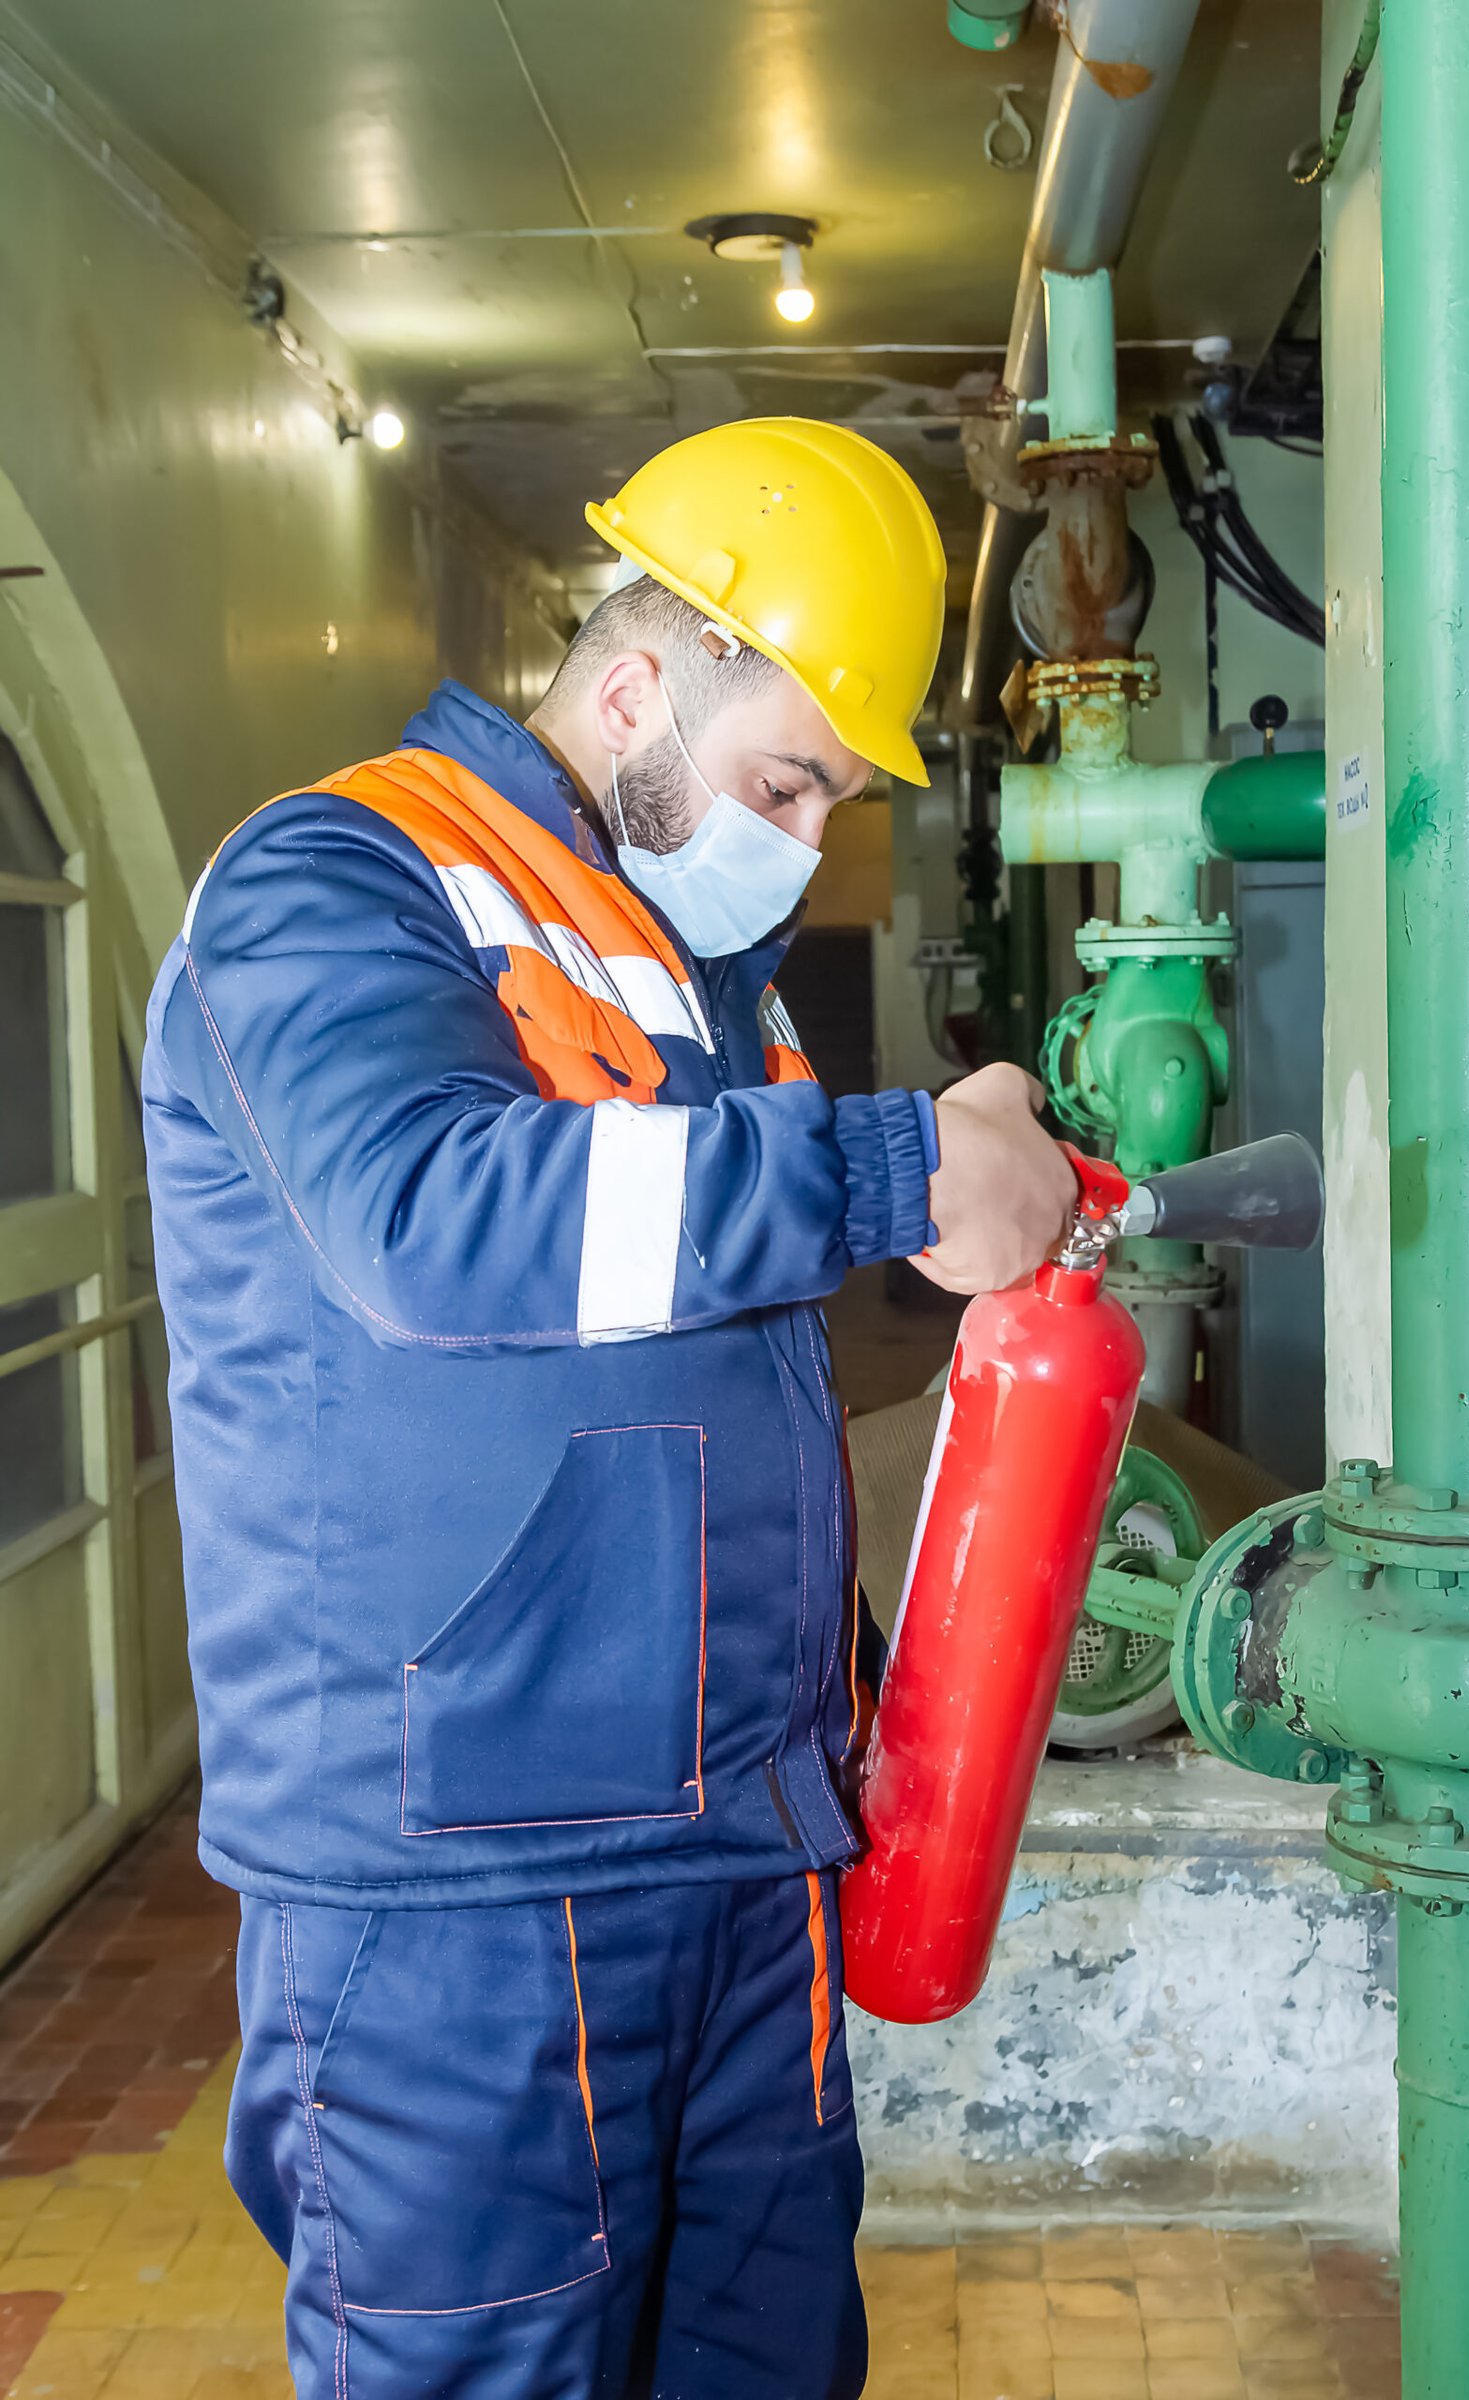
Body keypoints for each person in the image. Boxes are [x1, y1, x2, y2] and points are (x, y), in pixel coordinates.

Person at [143, 417, 1079, 2400]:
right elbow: (424, 1219)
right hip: (463, 1889)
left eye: (832, 800)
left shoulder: (702, 969)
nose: (803, 841)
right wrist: (890, 1170)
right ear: (638, 685)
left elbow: (714, 1365)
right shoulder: (334, 878)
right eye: (786, 782)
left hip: (736, 1851)